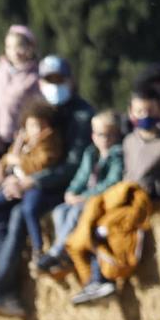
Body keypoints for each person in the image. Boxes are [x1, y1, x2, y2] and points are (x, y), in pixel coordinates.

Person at [46, 92, 160, 304]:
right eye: (140, 111)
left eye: (150, 111)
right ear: (131, 113)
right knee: (91, 223)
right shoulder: (130, 142)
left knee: (107, 229)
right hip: (119, 197)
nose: (145, 115)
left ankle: (104, 278)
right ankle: (91, 275)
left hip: (142, 200)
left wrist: (156, 187)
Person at [0, 98, 67, 317]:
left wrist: (17, 165)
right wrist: (4, 169)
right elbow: (8, 162)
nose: (35, 130)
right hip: (15, 188)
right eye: (31, 126)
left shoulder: (51, 141)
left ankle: (0, 284)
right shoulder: (24, 141)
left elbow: (43, 164)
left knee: (21, 213)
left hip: (37, 190)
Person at [35, 112, 125, 268]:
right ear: (93, 135)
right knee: (60, 211)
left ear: (116, 135)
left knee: (75, 212)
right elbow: (81, 177)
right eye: (99, 134)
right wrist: (71, 192)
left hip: (99, 199)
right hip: (83, 197)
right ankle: (65, 249)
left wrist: (85, 197)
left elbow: (111, 182)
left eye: (108, 135)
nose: (104, 139)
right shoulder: (91, 153)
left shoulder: (117, 155)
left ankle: (58, 251)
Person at [0, 25, 41, 145]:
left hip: (17, 141)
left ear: (30, 47)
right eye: (9, 47)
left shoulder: (35, 77)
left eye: (19, 46)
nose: (14, 51)